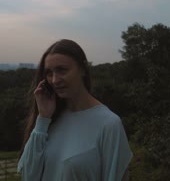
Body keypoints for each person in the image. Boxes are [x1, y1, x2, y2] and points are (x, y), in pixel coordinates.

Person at [17, 39, 133, 181]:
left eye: (62, 70)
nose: (54, 80)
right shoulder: (49, 120)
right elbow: (28, 176)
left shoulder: (109, 124)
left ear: (83, 69)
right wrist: (43, 119)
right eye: (49, 73)